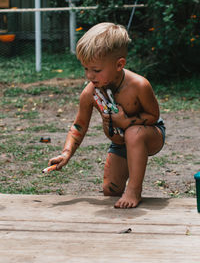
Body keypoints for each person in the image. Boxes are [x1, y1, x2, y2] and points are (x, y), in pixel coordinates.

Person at [48, 22, 165, 209]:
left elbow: (153, 116)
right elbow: (79, 125)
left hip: (149, 135)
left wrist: (127, 121)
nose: (89, 75)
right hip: (119, 143)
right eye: (85, 69)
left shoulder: (139, 85)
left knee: (133, 133)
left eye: (96, 70)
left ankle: (134, 189)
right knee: (110, 190)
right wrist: (66, 153)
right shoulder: (90, 93)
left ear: (119, 64)